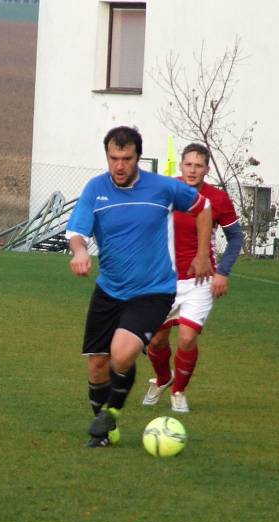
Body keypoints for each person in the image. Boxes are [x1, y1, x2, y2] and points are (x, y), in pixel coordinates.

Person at [67, 126, 213, 448]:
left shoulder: (161, 187)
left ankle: (113, 412)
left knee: (122, 353)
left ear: (138, 157)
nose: (119, 166)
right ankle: (104, 428)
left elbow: (203, 208)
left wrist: (203, 254)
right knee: (97, 363)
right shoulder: (96, 189)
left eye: (127, 158)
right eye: (113, 158)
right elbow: (77, 232)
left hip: (153, 290)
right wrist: (79, 252)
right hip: (110, 288)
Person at [142, 143, 245, 412]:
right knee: (156, 341)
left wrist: (223, 271)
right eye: (188, 164)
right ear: (181, 165)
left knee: (187, 338)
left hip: (200, 280)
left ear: (206, 169)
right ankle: (164, 378)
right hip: (162, 280)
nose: (193, 170)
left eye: (199, 166)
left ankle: (179, 391)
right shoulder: (167, 190)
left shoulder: (217, 199)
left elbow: (236, 238)